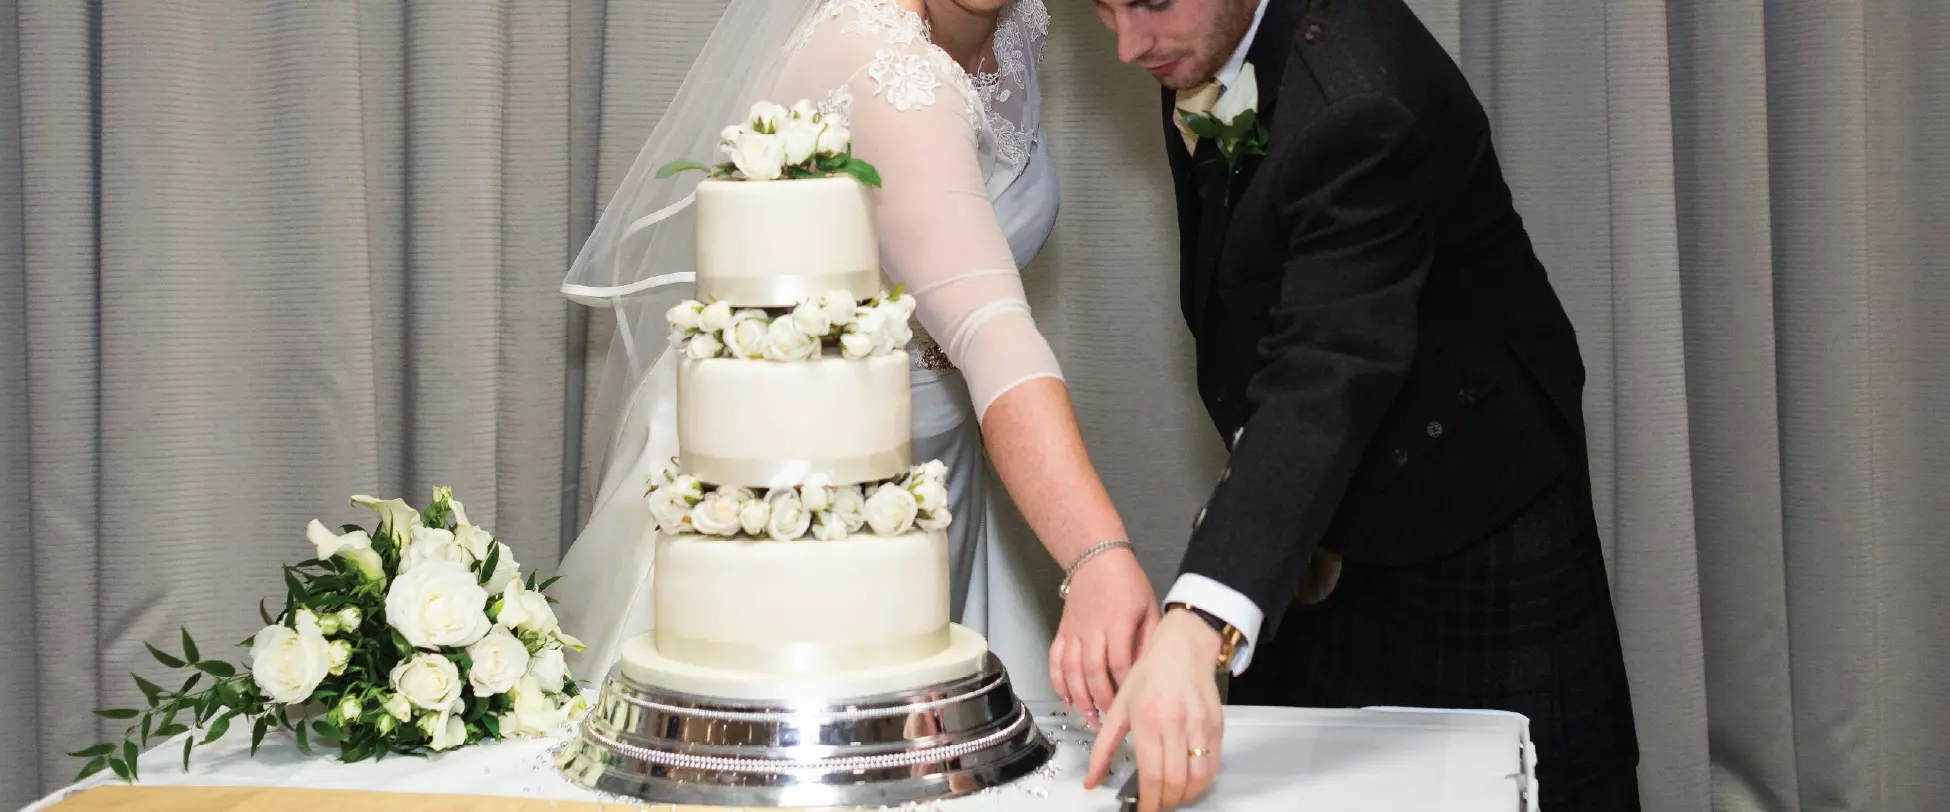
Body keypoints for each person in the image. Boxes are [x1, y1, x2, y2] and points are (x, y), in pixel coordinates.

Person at [1084, 0, 1641, 810]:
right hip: (1312, 498)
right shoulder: (1202, 35)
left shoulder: (1359, 102)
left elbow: (1329, 363)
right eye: (1102, 9)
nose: (1129, 46)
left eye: (1149, 3)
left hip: (1466, 497)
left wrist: (1199, 617)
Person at [550, 0, 1155, 728]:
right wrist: (1098, 554)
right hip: (789, 490)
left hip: (933, 463)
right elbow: (992, 330)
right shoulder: (887, 70)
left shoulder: (1018, 27)